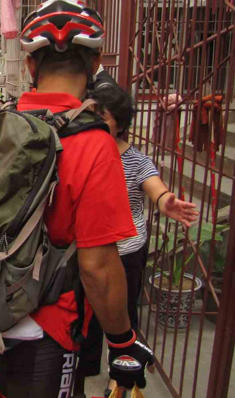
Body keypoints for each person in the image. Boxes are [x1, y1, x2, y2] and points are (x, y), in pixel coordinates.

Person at [0, 0, 154, 397]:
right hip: (49, 328)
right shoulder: (95, 144)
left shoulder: (1, 125)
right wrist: (122, 341)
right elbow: (98, 266)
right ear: (95, 64)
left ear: (30, 66)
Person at [76, 85, 198, 398]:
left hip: (125, 252)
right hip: (89, 251)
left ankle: (120, 377)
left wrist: (166, 200)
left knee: (123, 314)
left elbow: (155, 187)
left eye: (102, 117)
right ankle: (86, 366)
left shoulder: (135, 161)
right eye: (90, 114)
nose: (93, 122)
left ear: (120, 123)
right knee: (86, 313)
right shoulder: (83, 153)